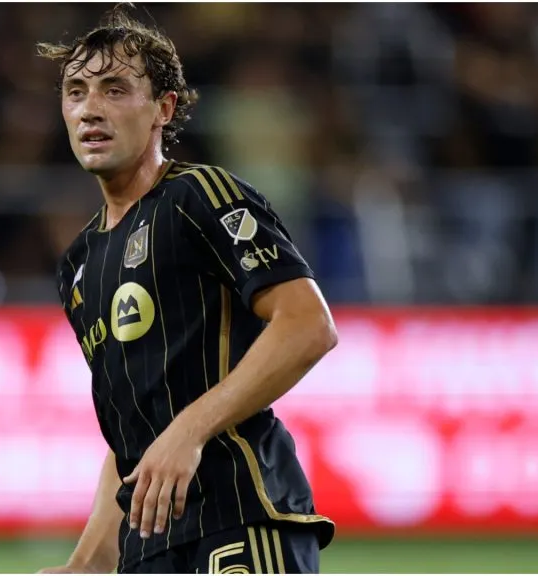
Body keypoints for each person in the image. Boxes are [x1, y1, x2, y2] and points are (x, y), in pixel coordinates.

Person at [37, 5, 338, 574]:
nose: (90, 108)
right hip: (149, 545)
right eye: (75, 92)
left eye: (115, 89)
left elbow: (307, 326)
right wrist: (87, 564)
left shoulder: (200, 196)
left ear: (162, 109)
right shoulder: (78, 265)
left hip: (240, 515)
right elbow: (132, 427)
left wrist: (190, 430)